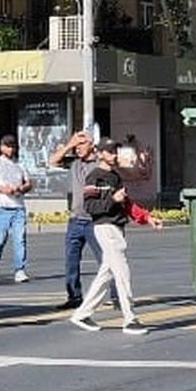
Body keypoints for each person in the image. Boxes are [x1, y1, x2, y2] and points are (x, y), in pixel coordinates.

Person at [69, 138, 162, 334]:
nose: (114, 155)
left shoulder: (115, 177)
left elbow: (127, 204)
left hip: (116, 227)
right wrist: (112, 199)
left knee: (108, 273)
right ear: (101, 153)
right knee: (122, 271)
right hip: (105, 227)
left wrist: (147, 218)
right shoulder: (94, 177)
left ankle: (82, 314)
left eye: (116, 151)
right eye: (111, 151)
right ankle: (130, 319)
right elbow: (90, 206)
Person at [49, 130, 103, 309]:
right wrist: (70, 145)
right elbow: (53, 161)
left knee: (105, 260)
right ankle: (74, 296)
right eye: (76, 145)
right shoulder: (73, 163)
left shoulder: (100, 163)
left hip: (94, 220)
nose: (78, 148)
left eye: (82, 144)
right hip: (75, 219)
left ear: (91, 145)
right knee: (71, 260)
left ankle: (116, 295)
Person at [0, 134, 32, 282]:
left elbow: (29, 183)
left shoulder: (20, 164)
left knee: (20, 239)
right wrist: (2, 189)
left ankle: (20, 270)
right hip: (2, 206)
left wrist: (21, 188)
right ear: (1, 147)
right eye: (7, 146)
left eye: (12, 146)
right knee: (0, 238)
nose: (10, 149)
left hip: (18, 207)